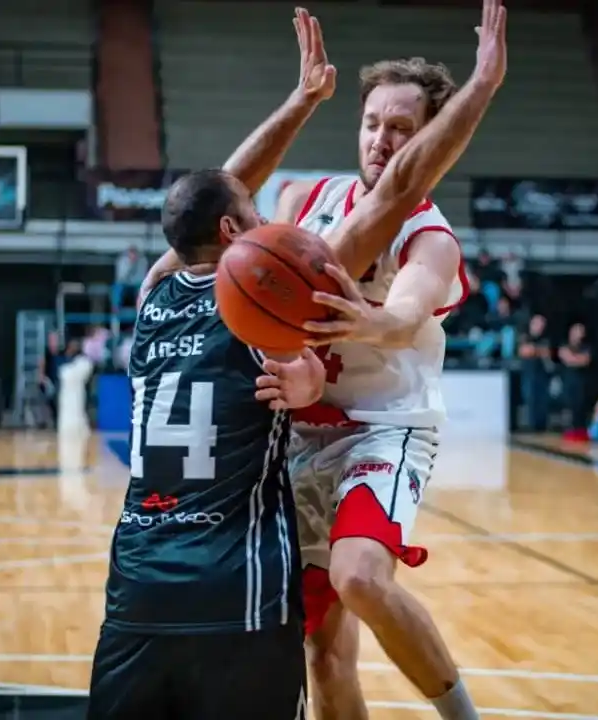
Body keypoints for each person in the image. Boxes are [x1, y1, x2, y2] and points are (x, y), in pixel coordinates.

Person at [135, 3, 506, 717]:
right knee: (323, 650)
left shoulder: (430, 238)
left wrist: (374, 321)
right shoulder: (309, 203)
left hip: (382, 429)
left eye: (401, 128)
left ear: (430, 137)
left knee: (360, 577)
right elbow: (217, 208)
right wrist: (303, 99)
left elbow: (408, 312)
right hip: (298, 438)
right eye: (371, 123)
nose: (381, 139)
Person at [87, 169, 326, 719]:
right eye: (252, 208)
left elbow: (192, 214)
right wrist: (307, 382)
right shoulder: (259, 304)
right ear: (229, 229)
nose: (263, 219)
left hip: (139, 587)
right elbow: (307, 378)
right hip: (238, 589)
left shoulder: (150, 300)